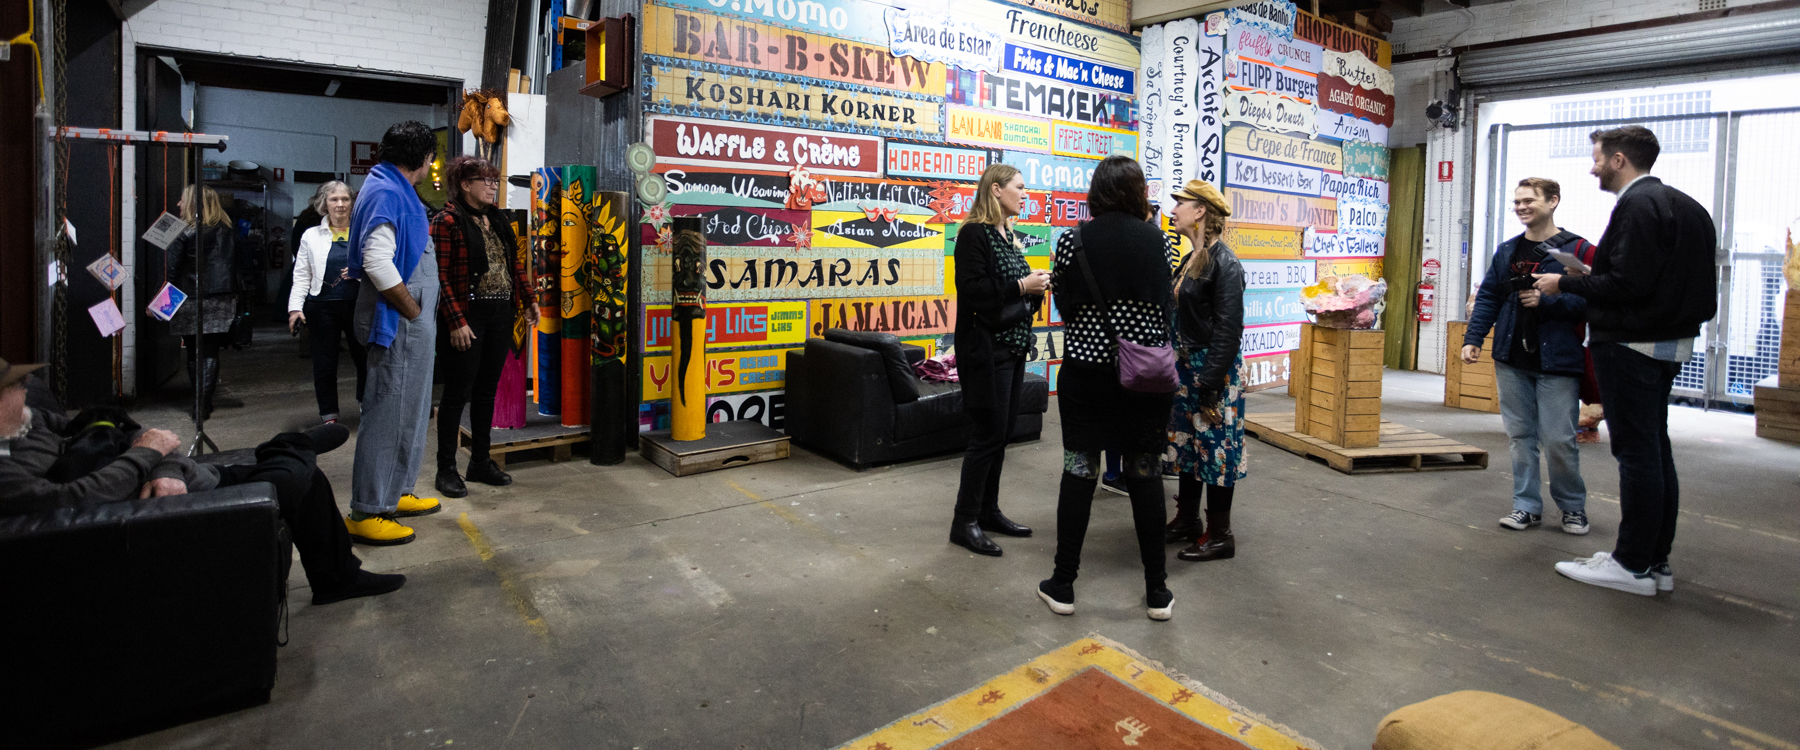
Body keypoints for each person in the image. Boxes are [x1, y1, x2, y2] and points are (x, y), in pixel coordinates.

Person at [0, 359, 404, 605]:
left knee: (305, 476)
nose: (25, 391)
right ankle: (289, 446)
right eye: (16, 387)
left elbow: (124, 433)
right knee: (295, 473)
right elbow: (65, 501)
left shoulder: (32, 424)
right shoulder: (7, 468)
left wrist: (162, 463)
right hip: (172, 505)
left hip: (182, 478)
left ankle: (337, 578)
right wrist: (149, 455)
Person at [1533, 125, 1718, 596]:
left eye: (1596, 158)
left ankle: (1630, 565)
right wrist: (1601, 276)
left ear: (1619, 160)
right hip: (1669, 342)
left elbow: (1628, 287)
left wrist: (1566, 283)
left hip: (1631, 344)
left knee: (1636, 455)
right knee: (1655, 450)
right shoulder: (1686, 206)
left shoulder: (1636, 205)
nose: (1592, 167)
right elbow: (1647, 278)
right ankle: (1655, 561)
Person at [1037, 155, 1179, 621]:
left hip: (1087, 375)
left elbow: (1066, 303)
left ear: (1096, 192)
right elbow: (1165, 307)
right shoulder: (1162, 243)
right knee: (1144, 473)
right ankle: (1157, 591)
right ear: (1139, 193)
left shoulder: (1071, 241)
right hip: (1145, 379)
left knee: (1079, 471)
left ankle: (1063, 584)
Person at [1465, 178, 1596, 536]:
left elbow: (1596, 300)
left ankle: (1572, 508)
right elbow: (1490, 295)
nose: (1521, 207)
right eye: (1517, 202)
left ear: (1553, 201)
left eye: (1529, 201)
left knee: (1558, 439)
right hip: (1511, 358)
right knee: (1520, 437)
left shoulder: (1580, 250)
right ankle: (1526, 506)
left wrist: (1549, 300)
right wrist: (1473, 338)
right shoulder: (1507, 251)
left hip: (1557, 362)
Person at [344, 121, 445, 546]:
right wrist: (413, 310)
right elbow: (377, 262)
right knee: (387, 414)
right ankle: (368, 509)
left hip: (411, 323)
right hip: (398, 323)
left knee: (411, 410)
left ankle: (395, 491)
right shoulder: (387, 193)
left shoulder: (387, 185)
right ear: (424, 160)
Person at [947, 163, 1051, 557]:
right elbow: (975, 292)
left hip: (1011, 348)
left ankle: (987, 511)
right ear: (995, 190)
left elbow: (1011, 295)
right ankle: (964, 520)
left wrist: (1032, 287)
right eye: (1019, 188)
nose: (1026, 194)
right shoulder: (974, 234)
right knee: (987, 434)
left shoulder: (1007, 235)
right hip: (985, 352)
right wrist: (1023, 286)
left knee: (1002, 432)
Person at [430, 156, 538, 498]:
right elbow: (439, 276)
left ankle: (480, 461)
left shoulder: (497, 218)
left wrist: (529, 299)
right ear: (465, 185)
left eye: (495, 181)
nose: (493, 187)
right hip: (466, 316)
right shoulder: (446, 221)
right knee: (456, 394)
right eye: (486, 181)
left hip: (499, 314)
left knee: (486, 391)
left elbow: (514, 263)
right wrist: (455, 321)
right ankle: (446, 469)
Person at [1161, 179, 1248, 563]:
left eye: (1181, 203)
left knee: (1217, 452)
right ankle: (1187, 520)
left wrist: (1210, 385)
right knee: (1190, 449)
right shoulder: (1192, 258)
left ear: (1201, 211)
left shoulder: (1225, 264)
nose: (1173, 209)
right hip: (1187, 368)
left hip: (1214, 372)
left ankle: (1221, 535)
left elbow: (1229, 332)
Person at [289, 181, 368, 425]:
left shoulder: (363, 232)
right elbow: (301, 274)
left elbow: (380, 267)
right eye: (334, 199)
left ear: (352, 203)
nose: (340, 204)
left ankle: (367, 406)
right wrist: (294, 308)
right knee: (324, 364)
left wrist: (358, 272)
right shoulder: (311, 235)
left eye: (345, 199)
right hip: (321, 307)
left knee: (365, 360)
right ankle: (329, 416)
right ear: (324, 204)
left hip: (358, 305)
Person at [165, 185, 240, 419]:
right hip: (222, 296)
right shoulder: (228, 229)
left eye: (181, 200)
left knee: (193, 352)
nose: (178, 204)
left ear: (193, 203)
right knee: (210, 351)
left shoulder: (182, 231)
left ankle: (199, 403)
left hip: (190, 297)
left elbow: (172, 271)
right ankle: (204, 403)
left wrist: (162, 304)